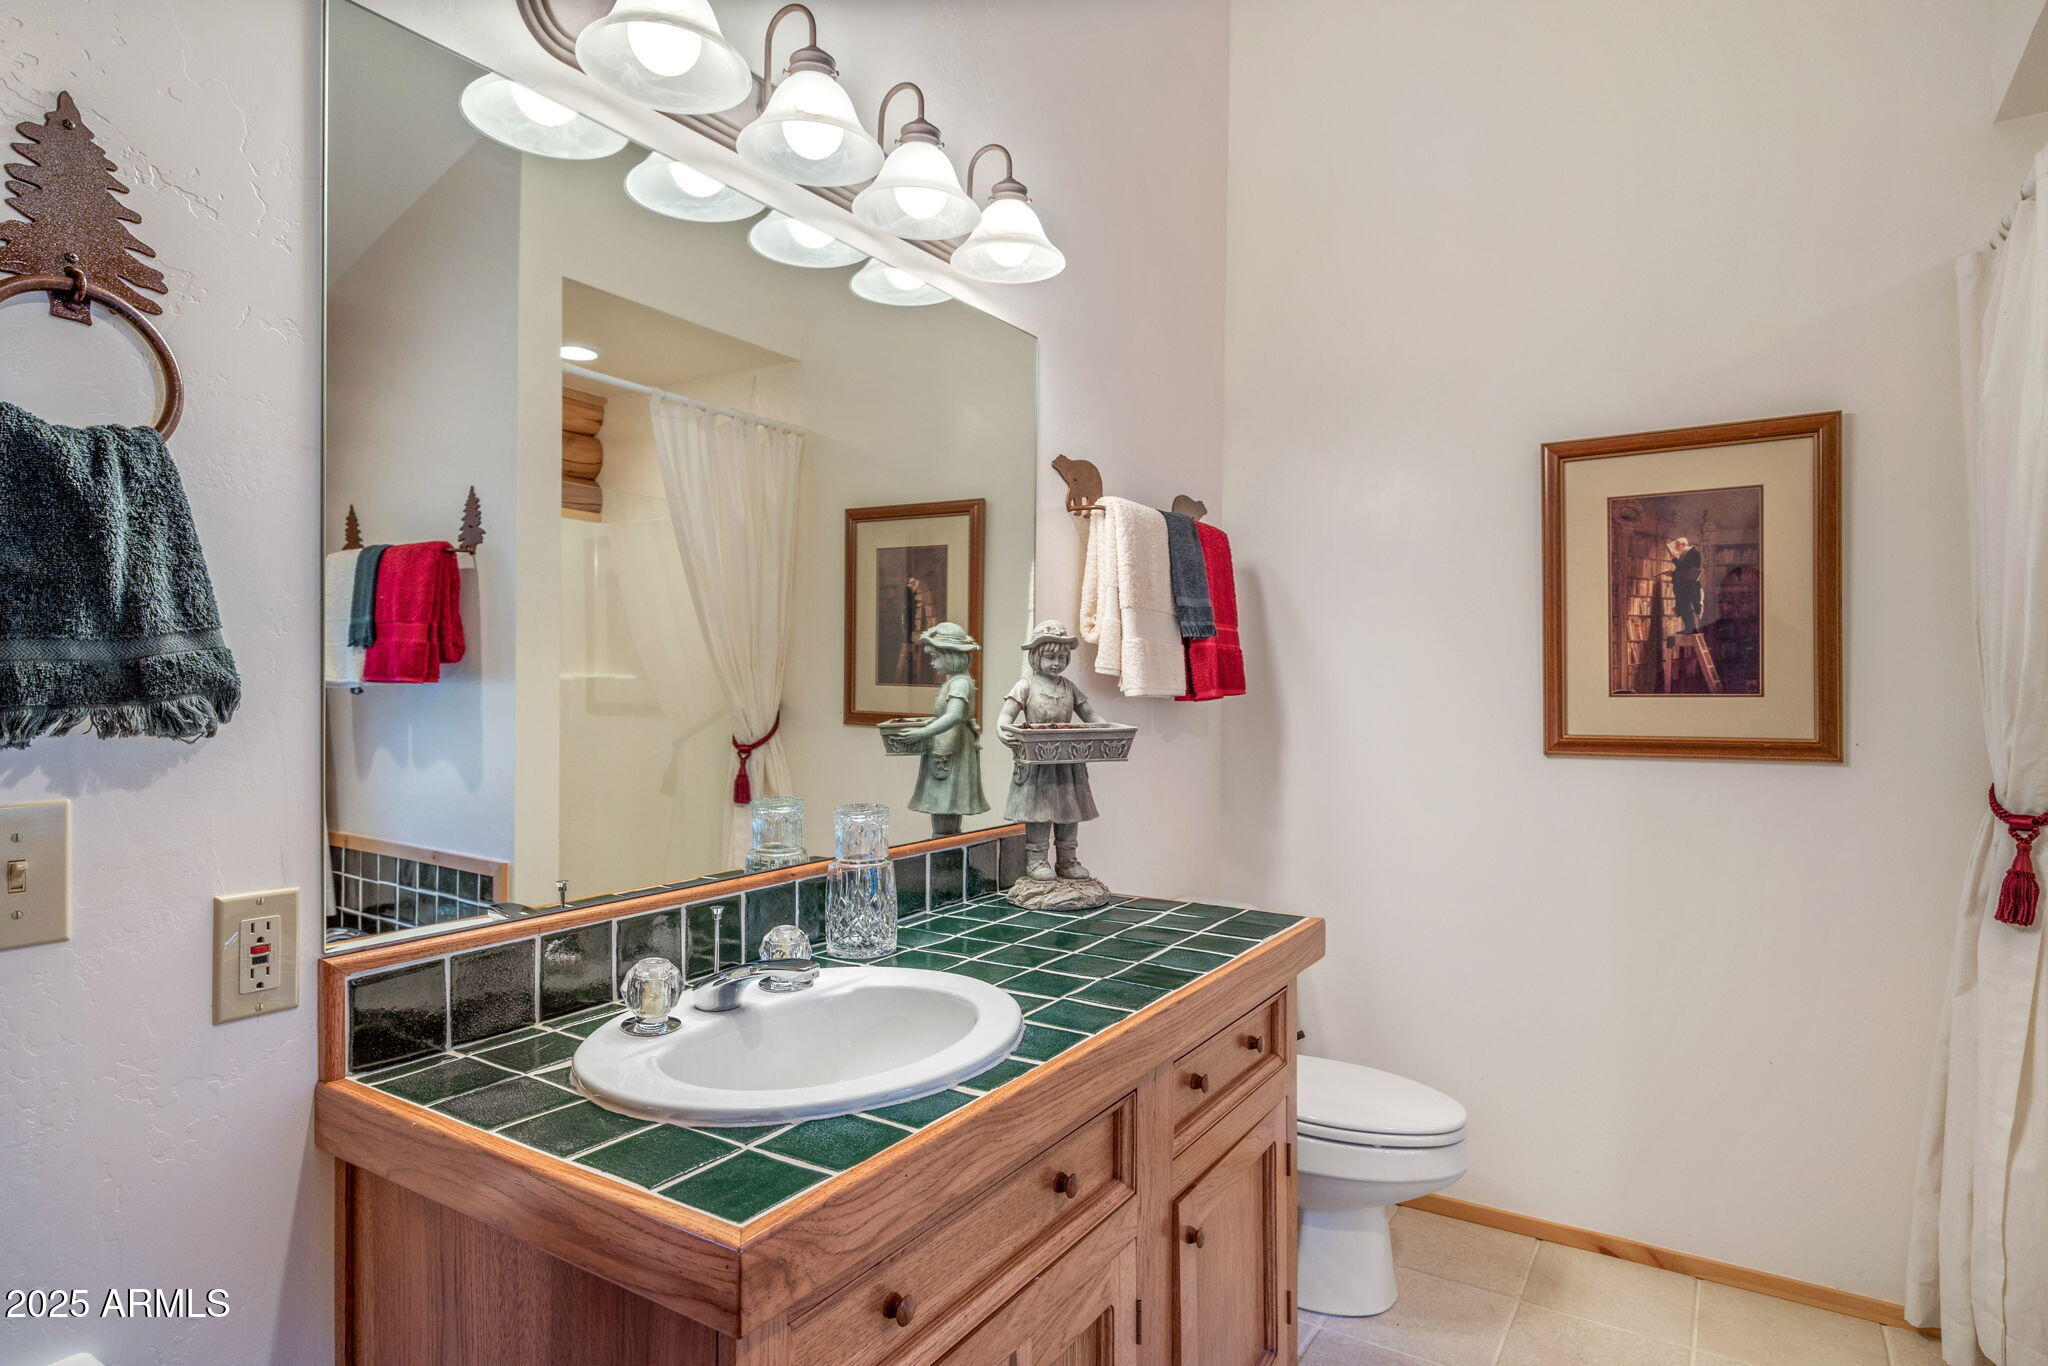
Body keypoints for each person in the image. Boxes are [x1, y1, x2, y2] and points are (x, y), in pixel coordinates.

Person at [999, 621, 1103, 882]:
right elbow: (1005, 718)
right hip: (1037, 762)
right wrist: (1003, 732)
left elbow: (1091, 716)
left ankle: (1067, 860)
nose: (1056, 663)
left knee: (1069, 808)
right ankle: (1036, 861)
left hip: (1068, 760)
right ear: (1035, 657)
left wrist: (1107, 730)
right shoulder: (1025, 686)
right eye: (1050, 657)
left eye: (1061, 657)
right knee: (1039, 809)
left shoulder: (1069, 687)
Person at [895, 622, 988, 837]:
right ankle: (947, 854)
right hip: (946, 745)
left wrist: (921, 733)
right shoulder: (954, 682)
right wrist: (928, 724)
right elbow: (947, 715)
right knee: (946, 808)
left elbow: (954, 716)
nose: (932, 663)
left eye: (936, 657)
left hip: (951, 748)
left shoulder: (960, 683)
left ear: (952, 655)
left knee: (945, 804)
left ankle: (944, 857)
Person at [1668, 535, 1704, 635]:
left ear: (1683, 544)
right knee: (1683, 606)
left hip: (1687, 586)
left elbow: (1685, 569)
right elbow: (1682, 571)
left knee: (1686, 606)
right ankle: (1688, 628)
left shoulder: (1692, 553)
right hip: (1683, 585)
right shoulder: (1685, 553)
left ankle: (1690, 628)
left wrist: (1675, 559)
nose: (1675, 547)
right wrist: (1673, 574)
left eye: (1677, 545)